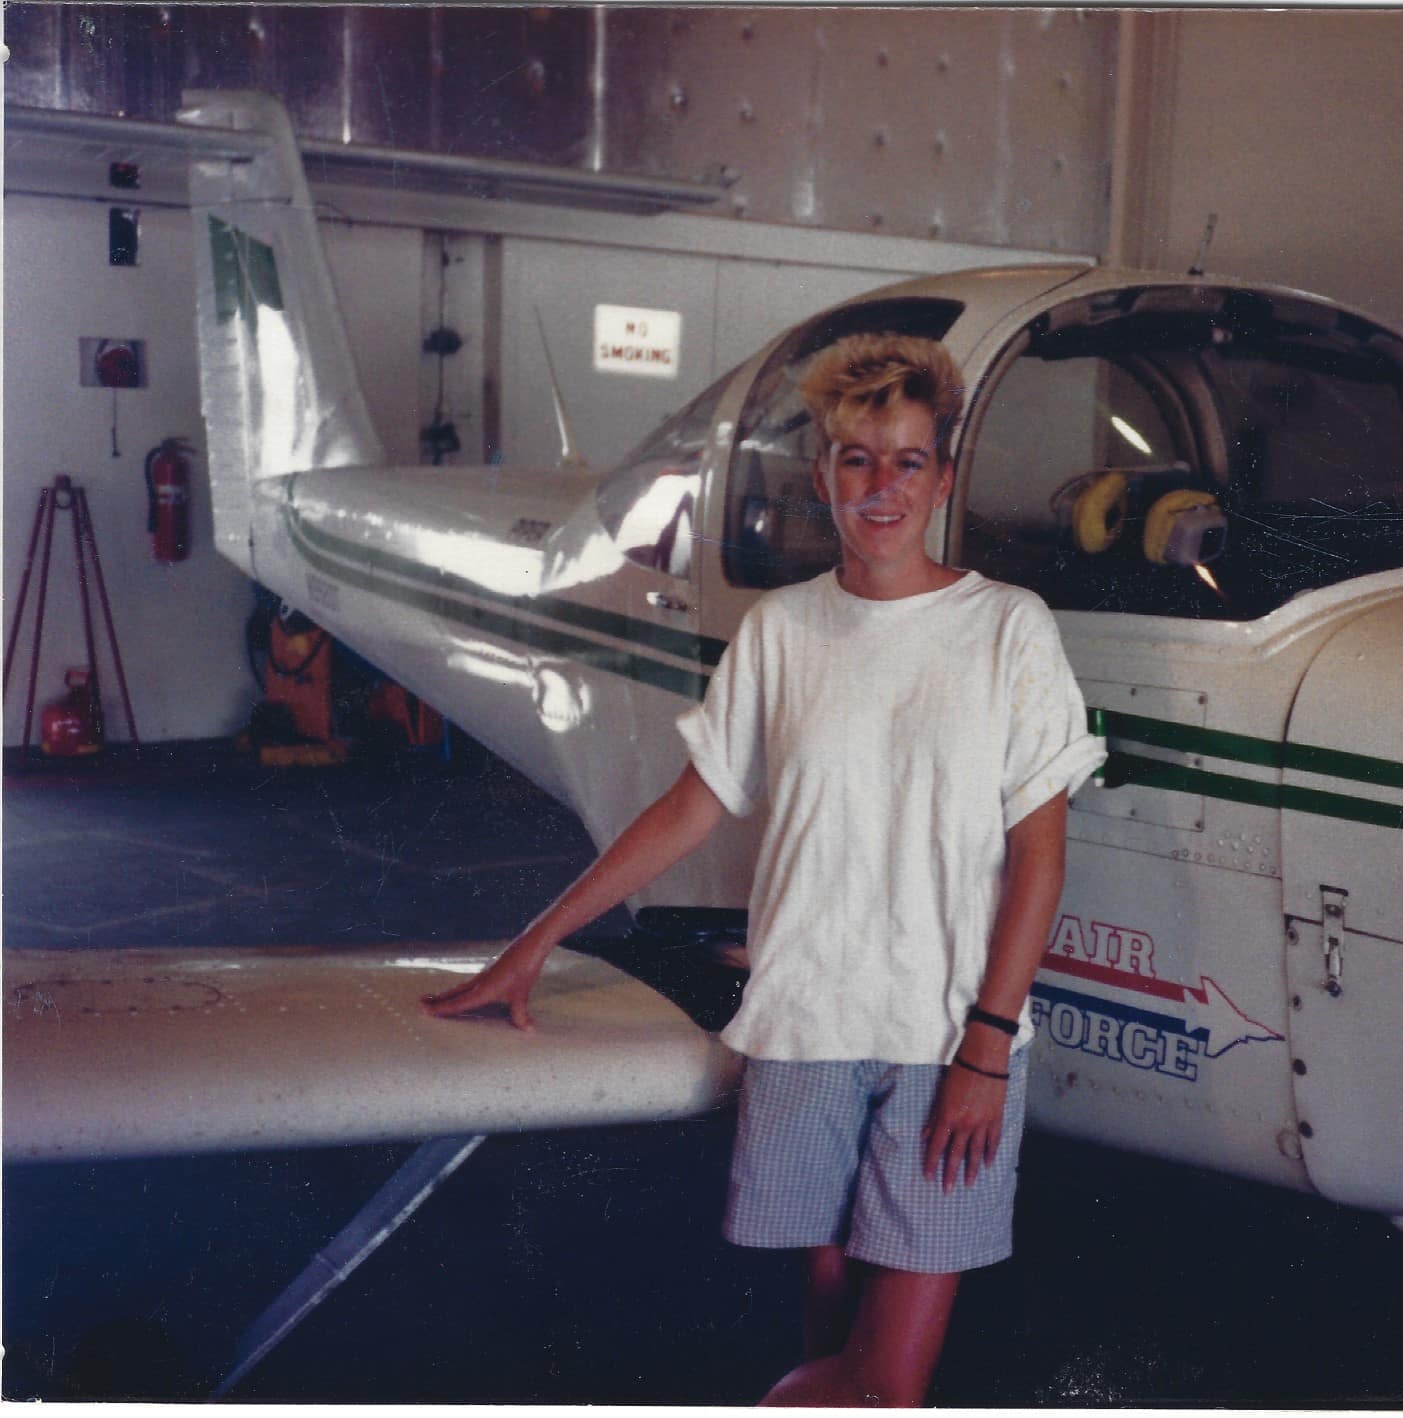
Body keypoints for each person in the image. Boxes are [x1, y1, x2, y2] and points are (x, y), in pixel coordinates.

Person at [423, 333, 1104, 1406]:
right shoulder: (782, 630)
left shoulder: (1007, 629)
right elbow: (690, 806)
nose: (882, 488)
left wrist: (987, 1043)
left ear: (943, 475)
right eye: (857, 459)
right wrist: (532, 946)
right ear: (823, 472)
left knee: (880, 1387)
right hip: (807, 1027)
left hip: (946, 1045)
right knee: (829, 1326)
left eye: (908, 460)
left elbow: (1040, 855)